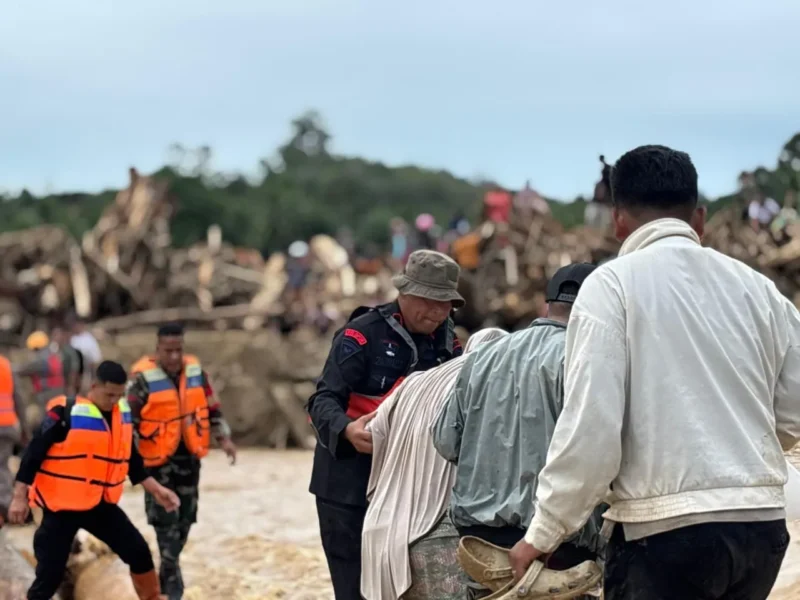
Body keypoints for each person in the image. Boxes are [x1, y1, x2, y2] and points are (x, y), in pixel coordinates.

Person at [509, 145, 800, 600]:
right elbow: (794, 412)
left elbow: (591, 428)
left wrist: (542, 534)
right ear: (699, 218)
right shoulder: (759, 290)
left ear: (617, 219)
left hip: (664, 534)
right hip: (760, 530)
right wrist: (740, 448)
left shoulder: (611, 287)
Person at [433, 263, 603, 600]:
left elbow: (445, 442)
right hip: (556, 542)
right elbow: (601, 455)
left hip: (480, 543)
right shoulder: (587, 360)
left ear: (546, 306)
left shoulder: (482, 357)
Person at [307, 249, 465, 599]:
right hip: (348, 481)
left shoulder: (447, 342)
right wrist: (347, 429)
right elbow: (321, 401)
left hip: (407, 486)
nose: (439, 312)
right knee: (353, 587)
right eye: (430, 301)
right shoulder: (362, 335)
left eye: (446, 304)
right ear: (404, 293)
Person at [6, 361, 180, 600]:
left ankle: (151, 597)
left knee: (139, 552)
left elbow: (133, 463)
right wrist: (19, 497)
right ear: (95, 386)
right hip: (61, 509)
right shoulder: (64, 412)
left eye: (119, 396)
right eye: (109, 394)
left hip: (99, 506)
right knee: (50, 576)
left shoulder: (122, 417)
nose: (113, 401)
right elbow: (32, 456)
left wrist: (158, 490)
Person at [361, 327, 508, 600]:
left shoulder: (415, 381)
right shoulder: (488, 378)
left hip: (381, 532)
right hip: (438, 531)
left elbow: (371, 432)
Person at [127, 323, 238, 600]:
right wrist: (129, 458)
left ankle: (164, 580)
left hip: (189, 460)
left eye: (178, 350)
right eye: (168, 351)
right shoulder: (141, 379)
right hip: (156, 464)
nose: (174, 356)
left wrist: (224, 439)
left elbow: (213, 409)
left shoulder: (197, 373)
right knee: (165, 527)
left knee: (185, 522)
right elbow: (127, 421)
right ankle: (173, 592)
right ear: (158, 350)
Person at [16, 330, 71, 433]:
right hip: (58, 393)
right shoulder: (54, 356)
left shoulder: (40, 360)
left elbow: (22, 370)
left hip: (46, 395)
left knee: (46, 424)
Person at [0, 353, 24, 527]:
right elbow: (18, 398)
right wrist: (24, 428)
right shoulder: (5, 364)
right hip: (8, 424)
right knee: (2, 467)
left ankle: (5, 509)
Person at [68, 315, 103, 393]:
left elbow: (95, 358)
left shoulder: (89, 339)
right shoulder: (72, 339)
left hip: (86, 370)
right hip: (73, 371)